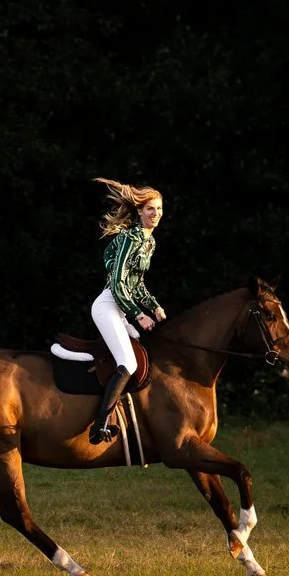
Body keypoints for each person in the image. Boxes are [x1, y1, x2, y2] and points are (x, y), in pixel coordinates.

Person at [86, 178, 165, 444]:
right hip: (108, 305)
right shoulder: (131, 238)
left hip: (121, 309)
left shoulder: (149, 242)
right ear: (140, 212)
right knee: (129, 363)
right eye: (150, 209)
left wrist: (154, 306)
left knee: (144, 353)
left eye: (159, 209)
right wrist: (139, 314)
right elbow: (118, 281)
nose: (155, 214)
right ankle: (99, 426)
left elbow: (137, 283)